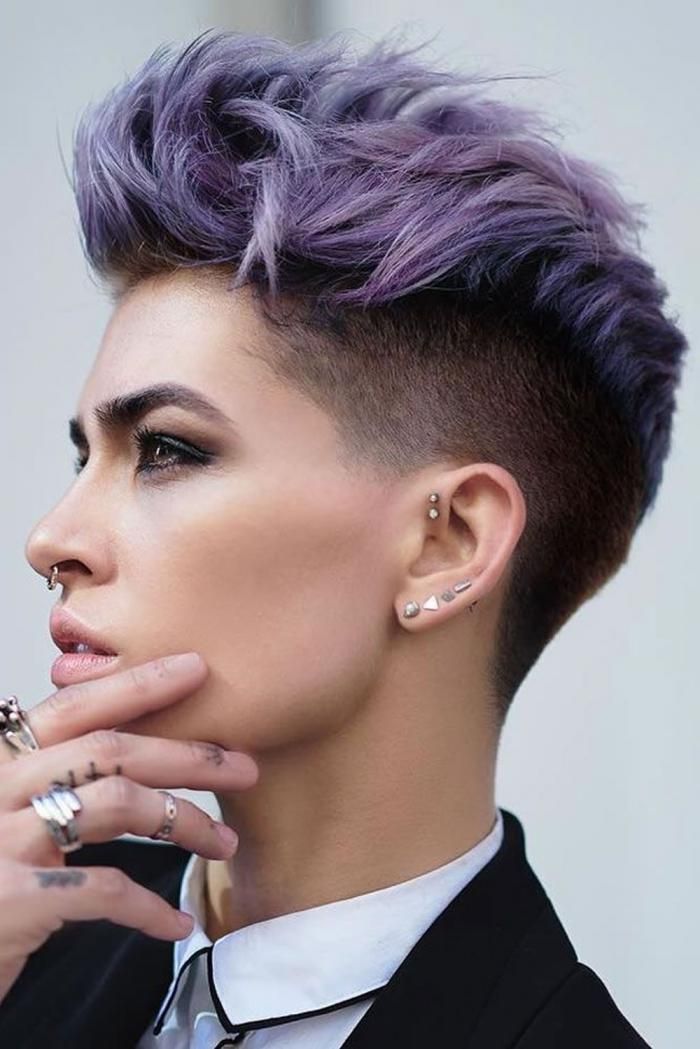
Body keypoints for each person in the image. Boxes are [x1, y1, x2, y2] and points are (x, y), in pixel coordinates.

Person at [0, 25, 686, 1048]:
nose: (52, 538)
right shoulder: (29, 927)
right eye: (82, 454)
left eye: (166, 449)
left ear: (447, 543)